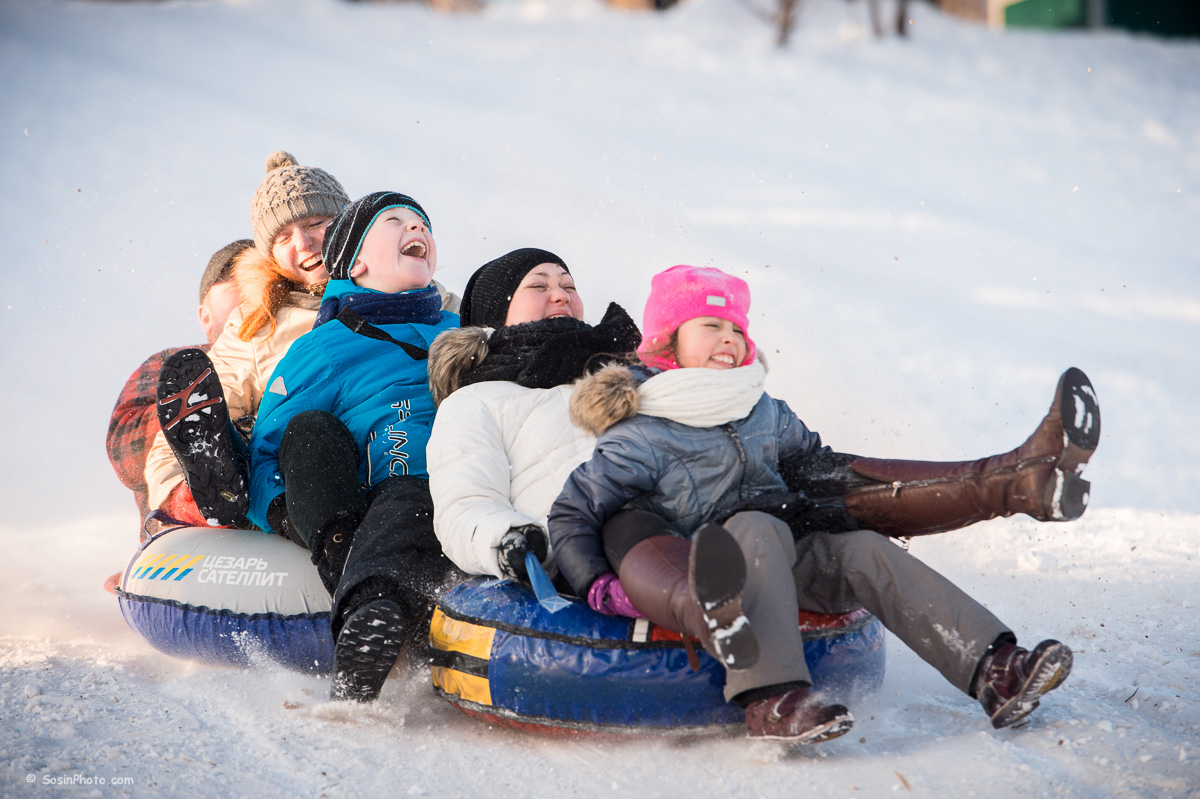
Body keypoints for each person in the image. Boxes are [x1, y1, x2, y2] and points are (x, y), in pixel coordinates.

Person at [548, 264, 1095, 744]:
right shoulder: (642, 429)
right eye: (711, 325)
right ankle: (772, 699)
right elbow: (575, 512)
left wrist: (861, 499)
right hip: (711, 574)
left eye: (737, 328)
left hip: (783, 551)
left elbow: (815, 465)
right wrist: (598, 585)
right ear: (667, 343)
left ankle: (994, 667)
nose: (729, 339)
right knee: (757, 527)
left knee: (861, 551)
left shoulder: (763, 409)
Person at [147, 152, 462, 529]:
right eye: (283, 237)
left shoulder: (429, 299)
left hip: (415, 452)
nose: (305, 242)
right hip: (312, 477)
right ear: (271, 256)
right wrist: (182, 498)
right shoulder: (257, 325)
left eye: (317, 222)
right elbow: (197, 415)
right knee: (294, 433)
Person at [246, 191, 460, 702]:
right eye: (395, 221)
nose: (416, 230)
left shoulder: (463, 330)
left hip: (472, 474)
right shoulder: (325, 345)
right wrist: (279, 507)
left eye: (422, 224)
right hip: (379, 491)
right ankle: (368, 609)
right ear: (356, 262)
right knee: (311, 430)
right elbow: (273, 446)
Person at [426, 248, 642, 582]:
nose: (560, 296)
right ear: (497, 313)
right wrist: (508, 538)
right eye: (539, 287)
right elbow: (466, 502)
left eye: (569, 287)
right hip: (567, 563)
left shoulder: (629, 382)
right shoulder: (475, 400)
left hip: (664, 533)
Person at [106, 239, 252, 534]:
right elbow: (124, 450)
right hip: (183, 541)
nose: (248, 301)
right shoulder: (172, 365)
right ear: (205, 315)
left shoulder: (289, 355)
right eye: (236, 284)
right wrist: (199, 412)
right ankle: (200, 499)